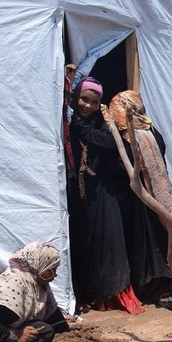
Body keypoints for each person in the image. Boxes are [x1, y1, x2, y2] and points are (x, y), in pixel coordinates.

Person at [106, 90, 172, 307]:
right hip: (158, 197)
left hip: (143, 201)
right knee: (164, 240)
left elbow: (127, 168)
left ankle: (164, 286)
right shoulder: (151, 130)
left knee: (152, 244)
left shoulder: (132, 136)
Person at [66, 77, 139, 313]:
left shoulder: (101, 125)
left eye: (93, 102)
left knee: (107, 241)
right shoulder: (66, 123)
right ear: (75, 98)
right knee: (84, 242)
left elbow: (110, 144)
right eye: (83, 99)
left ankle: (110, 293)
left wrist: (84, 130)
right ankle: (87, 293)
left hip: (103, 192)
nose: (87, 106)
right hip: (79, 195)